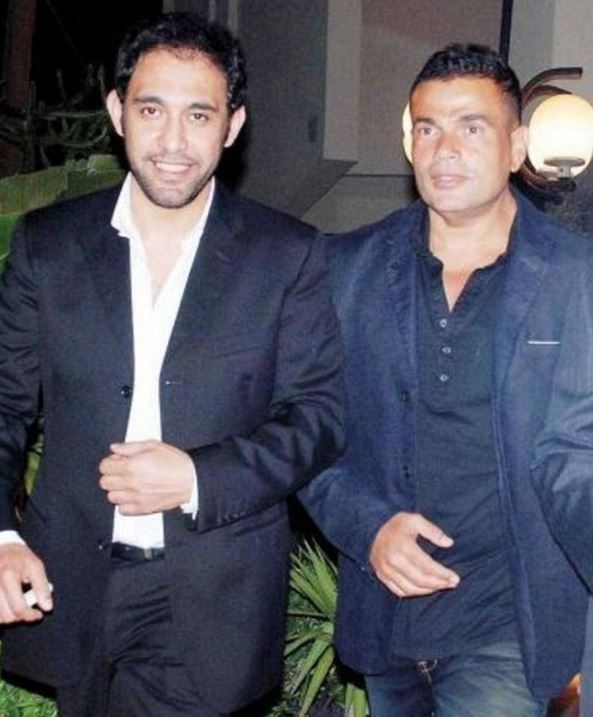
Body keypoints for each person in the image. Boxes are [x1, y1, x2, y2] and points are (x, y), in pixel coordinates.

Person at [0, 12, 343, 717]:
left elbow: (317, 417)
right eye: (152, 110)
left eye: (199, 115)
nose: (174, 142)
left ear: (232, 125)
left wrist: (196, 476)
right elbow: (4, 404)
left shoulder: (286, 255)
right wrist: (1, 534)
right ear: (117, 111)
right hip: (71, 580)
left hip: (210, 592)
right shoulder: (48, 245)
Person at [301, 43, 591, 717]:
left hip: (506, 627)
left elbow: (575, 453)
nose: (445, 149)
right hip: (388, 619)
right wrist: (368, 528)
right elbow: (308, 431)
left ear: (516, 147)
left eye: (472, 127)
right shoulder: (345, 269)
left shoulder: (573, 275)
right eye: (427, 128)